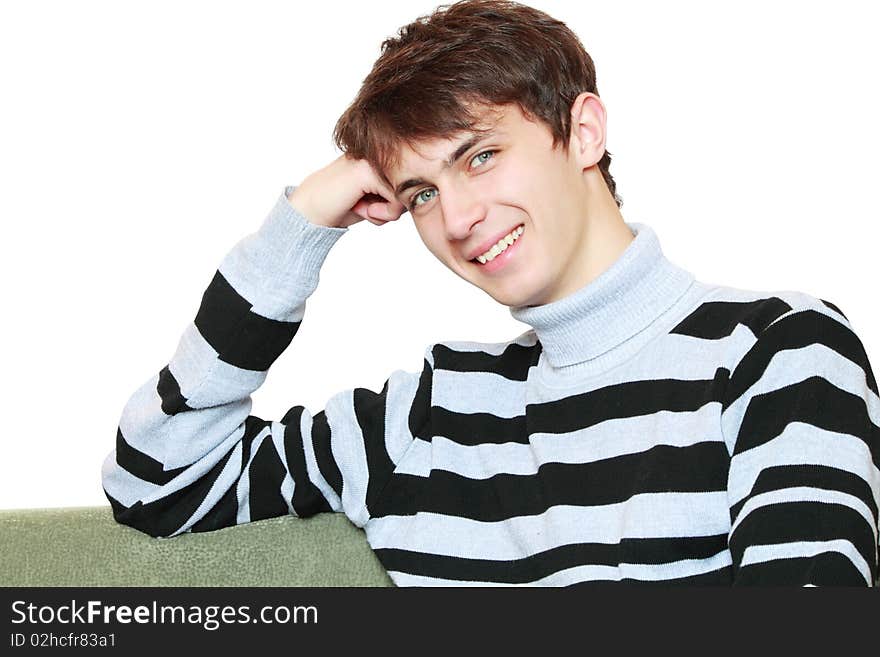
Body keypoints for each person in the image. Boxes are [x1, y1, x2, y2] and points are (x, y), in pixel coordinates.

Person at [101, 0, 880, 586]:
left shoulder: (778, 353)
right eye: (420, 195)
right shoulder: (426, 420)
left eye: (479, 156)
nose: (461, 220)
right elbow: (157, 482)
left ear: (583, 133)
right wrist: (302, 222)